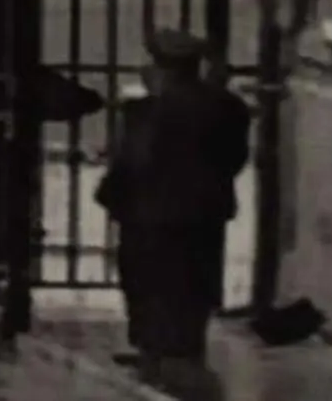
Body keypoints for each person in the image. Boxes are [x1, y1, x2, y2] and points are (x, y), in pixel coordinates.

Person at [94, 26, 251, 397]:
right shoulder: (229, 106)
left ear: (160, 67)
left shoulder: (146, 110)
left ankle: (154, 354)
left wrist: (111, 196)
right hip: (204, 214)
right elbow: (235, 158)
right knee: (195, 281)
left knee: (146, 281)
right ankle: (187, 350)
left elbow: (133, 161)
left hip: (150, 213)